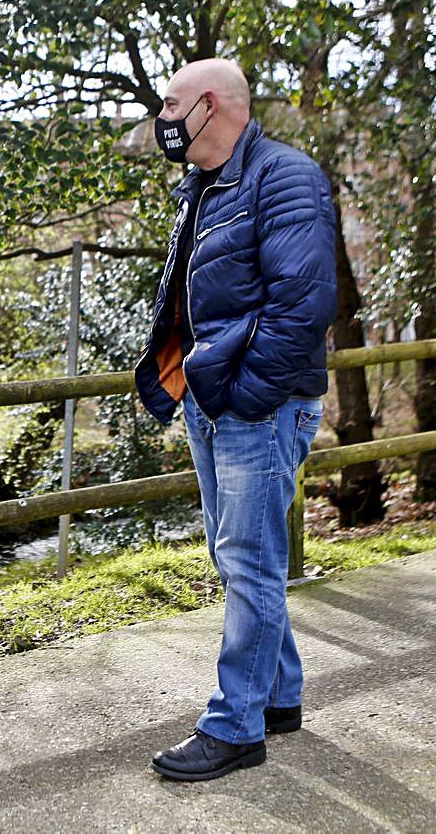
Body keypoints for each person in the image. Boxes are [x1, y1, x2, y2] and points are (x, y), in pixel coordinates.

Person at [134, 59, 337, 780]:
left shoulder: (285, 177)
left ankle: (236, 724)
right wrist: (188, 387)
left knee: (249, 561)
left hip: (258, 406)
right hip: (213, 401)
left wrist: (245, 398)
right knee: (238, 559)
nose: (161, 117)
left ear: (208, 105)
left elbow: (302, 307)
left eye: (169, 103)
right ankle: (278, 696)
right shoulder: (202, 186)